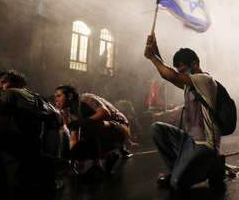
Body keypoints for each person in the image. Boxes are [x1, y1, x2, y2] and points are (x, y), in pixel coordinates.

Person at [144, 33, 225, 191]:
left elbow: (170, 74)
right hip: (190, 140)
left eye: (183, 70)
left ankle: (214, 166)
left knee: (176, 184)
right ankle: (176, 170)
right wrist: (155, 48)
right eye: (179, 71)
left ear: (195, 64)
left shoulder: (204, 80)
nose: (181, 74)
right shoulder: (190, 83)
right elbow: (170, 75)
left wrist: (152, 57)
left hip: (205, 144)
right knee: (157, 128)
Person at [0, 71, 58, 196]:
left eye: (3, 82)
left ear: (14, 82)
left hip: (25, 140)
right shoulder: (31, 94)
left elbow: (3, 123)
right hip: (36, 142)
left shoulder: (10, 92)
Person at [54, 85, 130, 179]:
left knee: (88, 124)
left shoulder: (86, 99)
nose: (56, 100)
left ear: (69, 96)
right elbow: (74, 138)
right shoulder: (68, 112)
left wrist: (82, 122)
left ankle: (98, 166)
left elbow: (105, 112)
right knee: (77, 151)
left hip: (120, 129)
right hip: (104, 134)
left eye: (58, 96)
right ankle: (108, 156)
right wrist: (71, 165)